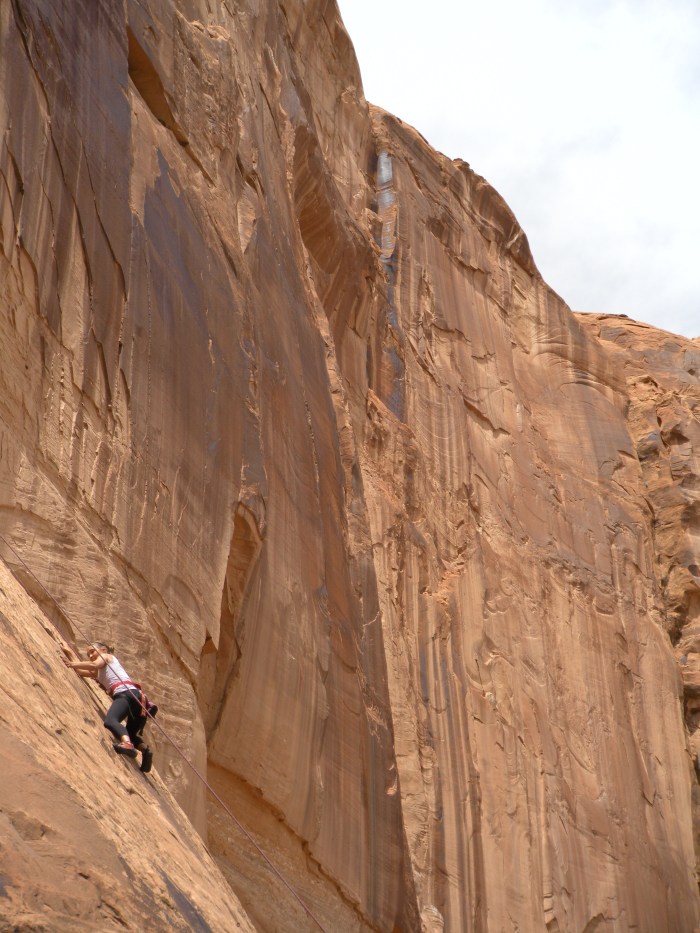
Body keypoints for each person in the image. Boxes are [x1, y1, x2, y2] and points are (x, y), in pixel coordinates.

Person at [60, 640, 153, 773]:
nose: (91, 655)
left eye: (92, 651)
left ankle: (127, 745)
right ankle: (145, 750)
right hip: (138, 699)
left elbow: (93, 664)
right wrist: (68, 652)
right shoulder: (101, 672)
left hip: (125, 693)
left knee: (110, 721)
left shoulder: (107, 657)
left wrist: (72, 663)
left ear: (103, 650)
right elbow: (81, 671)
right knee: (130, 733)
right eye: (88, 654)